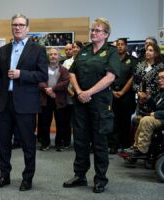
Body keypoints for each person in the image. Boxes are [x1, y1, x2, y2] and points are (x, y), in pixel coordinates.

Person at [0, 13, 48, 191]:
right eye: (14, 25)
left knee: (28, 143)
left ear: (27, 28)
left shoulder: (38, 49)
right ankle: (4, 175)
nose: (17, 28)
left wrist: (22, 74)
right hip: (4, 102)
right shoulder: (4, 49)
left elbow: (43, 75)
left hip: (26, 103)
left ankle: (27, 178)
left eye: (21, 25)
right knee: (3, 143)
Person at [63, 18, 120, 193]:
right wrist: (80, 91)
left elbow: (110, 77)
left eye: (97, 30)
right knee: (80, 140)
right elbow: (71, 73)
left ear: (106, 34)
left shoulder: (111, 52)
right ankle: (80, 175)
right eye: (92, 29)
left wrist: (89, 92)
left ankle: (100, 179)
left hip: (100, 103)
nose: (93, 32)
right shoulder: (84, 50)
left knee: (99, 142)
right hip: (81, 102)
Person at [128, 67, 164, 157]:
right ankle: (136, 147)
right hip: (162, 117)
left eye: (163, 77)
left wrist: (156, 114)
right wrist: (148, 98)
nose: (160, 80)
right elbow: (157, 107)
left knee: (146, 120)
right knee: (138, 119)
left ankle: (142, 150)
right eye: (158, 78)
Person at [37, 47, 69, 151]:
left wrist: (53, 89)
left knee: (61, 123)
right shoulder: (43, 69)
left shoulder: (64, 70)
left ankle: (59, 144)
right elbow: (39, 80)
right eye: (51, 54)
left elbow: (65, 83)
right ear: (48, 56)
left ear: (59, 56)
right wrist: (47, 90)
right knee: (44, 123)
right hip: (45, 99)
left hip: (59, 100)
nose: (53, 56)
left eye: (55, 54)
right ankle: (45, 143)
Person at [108, 38, 137, 154]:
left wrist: (122, 92)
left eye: (122, 45)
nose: (119, 47)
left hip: (127, 95)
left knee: (125, 121)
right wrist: (112, 91)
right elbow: (106, 76)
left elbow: (133, 77)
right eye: (118, 45)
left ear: (126, 46)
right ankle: (114, 144)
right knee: (113, 120)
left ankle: (125, 144)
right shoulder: (111, 60)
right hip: (112, 93)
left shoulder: (132, 60)